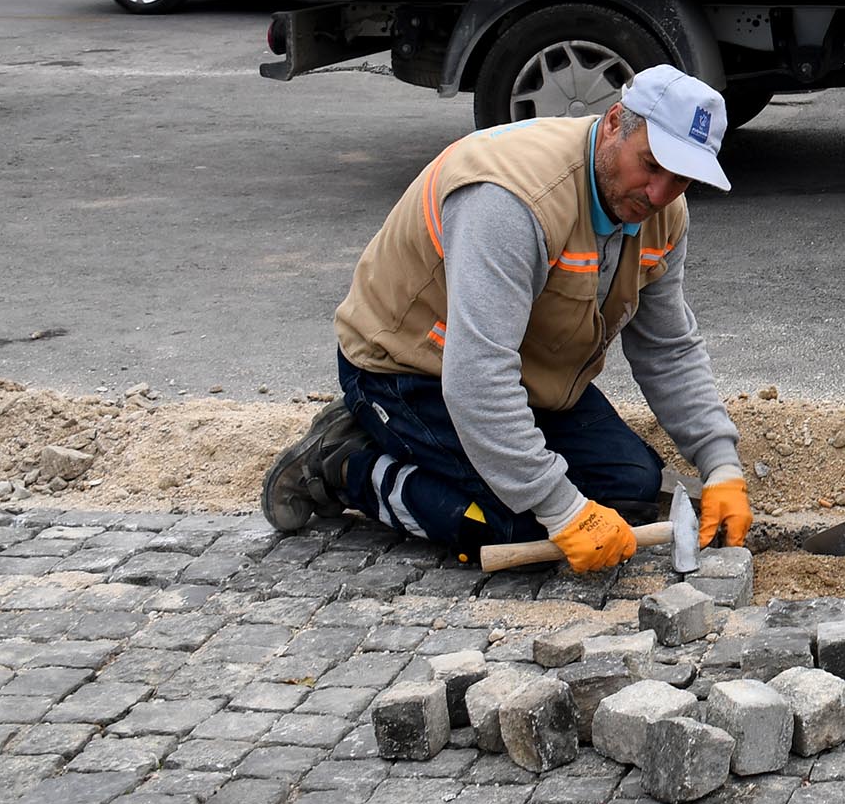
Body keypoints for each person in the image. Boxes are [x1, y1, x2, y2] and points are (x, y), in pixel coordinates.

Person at [258, 65, 752, 571]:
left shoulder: (664, 214)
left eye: (682, 179)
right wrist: (562, 510)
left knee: (632, 487)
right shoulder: (511, 200)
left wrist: (720, 463)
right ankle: (346, 464)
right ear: (614, 122)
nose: (658, 194)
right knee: (512, 525)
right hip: (408, 369)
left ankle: (424, 453)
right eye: (651, 164)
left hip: (518, 376)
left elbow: (666, 347)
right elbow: (477, 378)